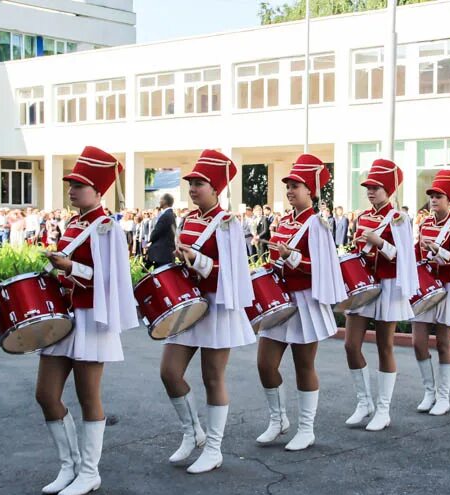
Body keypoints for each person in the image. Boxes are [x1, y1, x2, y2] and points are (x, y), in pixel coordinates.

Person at [37, 146, 138, 495]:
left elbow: (109, 280)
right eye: (71, 183)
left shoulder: (106, 227)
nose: (71, 189)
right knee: (46, 395)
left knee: (87, 396)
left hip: (91, 317)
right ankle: (69, 466)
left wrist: (69, 268)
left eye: (79, 184)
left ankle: (89, 472)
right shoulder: (74, 223)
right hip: (63, 317)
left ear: (98, 191)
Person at [160, 150, 255, 474]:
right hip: (189, 304)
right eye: (191, 183)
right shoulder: (188, 219)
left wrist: (197, 261)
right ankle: (192, 432)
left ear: (216, 188)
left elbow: (232, 271)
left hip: (217, 305)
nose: (193, 188)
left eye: (199, 183)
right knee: (169, 372)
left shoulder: (227, 222)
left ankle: (213, 448)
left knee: (212, 377)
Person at [255, 154, 346, 451]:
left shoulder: (317, 223)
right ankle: (278, 419)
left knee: (303, 365)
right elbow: (275, 259)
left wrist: (290, 257)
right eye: (288, 186)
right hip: (279, 299)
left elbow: (323, 267)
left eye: (296, 185)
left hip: (305, 299)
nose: (290, 191)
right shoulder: (283, 221)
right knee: (265, 364)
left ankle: (306, 428)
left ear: (311, 191)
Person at [343, 159, 418, 431]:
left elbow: (404, 256)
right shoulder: (363, 216)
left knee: (384, 346)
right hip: (364, 283)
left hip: (388, 284)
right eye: (368, 188)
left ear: (389, 190)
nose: (370, 192)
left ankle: (383, 409)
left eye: (376, 188)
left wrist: (380, 243)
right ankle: (365, 402)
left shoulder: (399, 218)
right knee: (351, 345)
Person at [410, 170, 450, 416]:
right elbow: (417, 254)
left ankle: (443, 397)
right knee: (418, 343)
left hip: (448, 288)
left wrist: (439, 251)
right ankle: (429, 391)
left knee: (444, 344)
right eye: (432, 196)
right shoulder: (425, 223)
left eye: (439, 196)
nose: (434, 200)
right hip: (426, 287)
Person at [146, 194, 177, 269]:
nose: (159, 201)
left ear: (165, 201)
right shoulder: (170, 214)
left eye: (161, 199)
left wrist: (150, 239)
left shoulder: (166, 215)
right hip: (166, 253)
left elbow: (157, 232)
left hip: (162, 254)